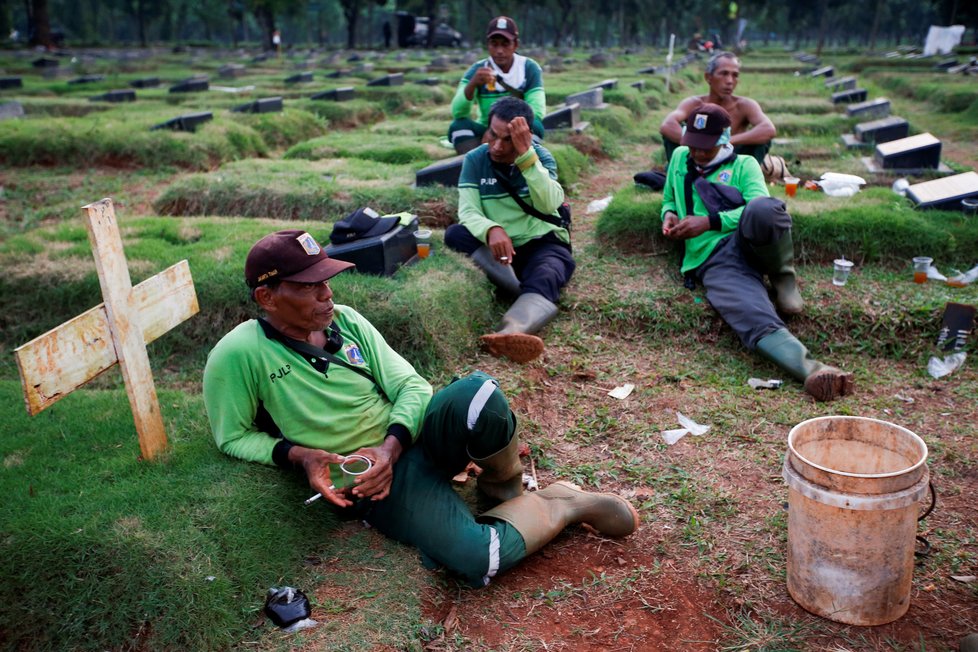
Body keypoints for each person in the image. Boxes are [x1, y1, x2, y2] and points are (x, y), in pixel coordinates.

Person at [203, 229, 638, 588]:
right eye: (309, 286)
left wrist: (391, 448)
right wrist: (300, 456)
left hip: (408, 440)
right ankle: (563, 503)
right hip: (374, 484)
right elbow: (233, 436)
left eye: (327, 281)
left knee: (480, 393)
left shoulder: (348, 321)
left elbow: (410, 385)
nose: (327, 295)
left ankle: (504, 488)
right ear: (267, 297)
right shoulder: (239, 354)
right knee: (477, 559)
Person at [659, 104, 854, 402]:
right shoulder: (679, 157)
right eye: (692, 145)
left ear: (724, 141)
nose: (697, 153)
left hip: (750, 241)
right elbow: (670, 196)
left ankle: (783, 278)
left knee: (764, 208)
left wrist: (711, 221)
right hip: (713, 256)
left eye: (706, 148)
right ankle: (812, 370)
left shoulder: (744, 165)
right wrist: (669, 214)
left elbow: (757, 208)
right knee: (747, 310)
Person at [445, 97, 574, 364]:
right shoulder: (474, 159)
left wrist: (527, 157)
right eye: (493, 134)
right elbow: (468, 211)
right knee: (455, 233)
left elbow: (550, 203)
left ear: (523, 137)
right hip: (497, 246)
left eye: (507, 140)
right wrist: (492, 229)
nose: (496, 145)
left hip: (540, 241)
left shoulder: (540, 157)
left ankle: (509, 332)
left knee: (550, 269)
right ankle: (521, 289)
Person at [447, 16, 546, 154]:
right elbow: (458, 112)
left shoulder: (528, 68)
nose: (499, 50)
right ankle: (473, 164)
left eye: (505, 44)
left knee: (536, 125)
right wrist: (473, 84)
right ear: (488, 45)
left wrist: (504, 131)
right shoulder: (478, 69)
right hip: (486, 129)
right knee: (459, 127)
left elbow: (537, 110)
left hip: (516, 129)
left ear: (515, 45)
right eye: (494, 44)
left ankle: (519, 164)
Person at [659, 51, 775, 166]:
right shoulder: (693, 104)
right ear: (708, 77)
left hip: (730, 162)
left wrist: (722, 142)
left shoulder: (745, 105)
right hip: (696, 158)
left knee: (762, 140)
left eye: (735, 75)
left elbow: (768, 129)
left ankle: (743, 178)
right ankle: (680, 174)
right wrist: (698, 144)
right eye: (724, 74)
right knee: (673, 134)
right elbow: (667, 125)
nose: (730, 81)